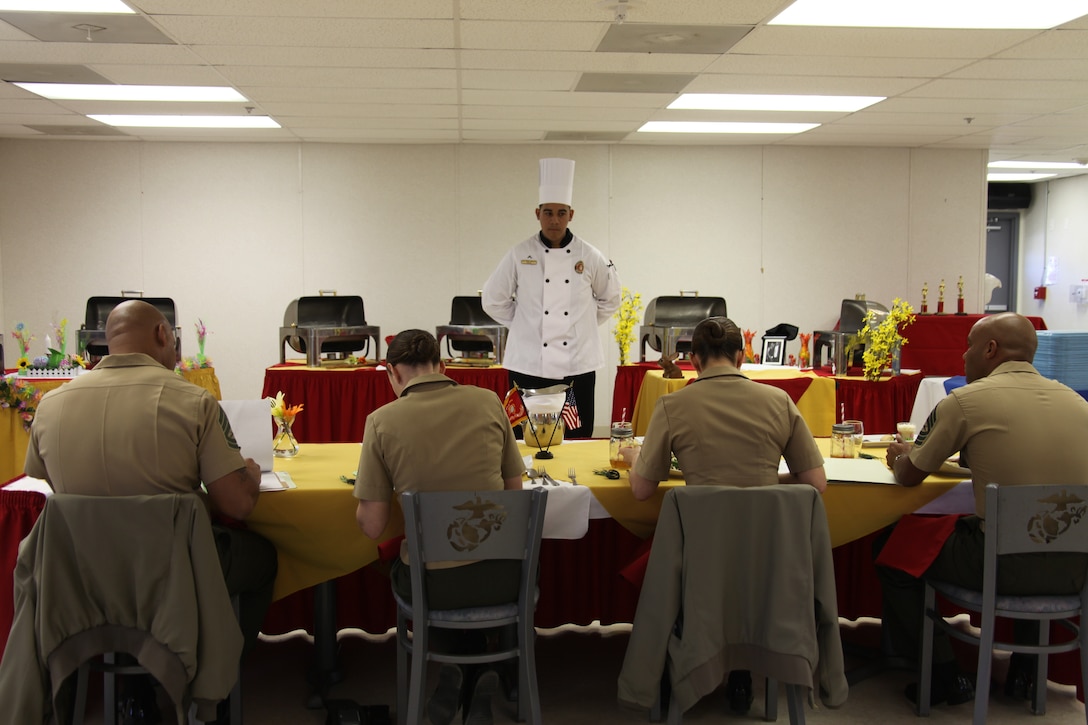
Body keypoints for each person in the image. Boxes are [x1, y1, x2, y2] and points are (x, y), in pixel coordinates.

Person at [24, 300, 277, 725]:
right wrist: (249, 474)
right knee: (263, 559)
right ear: (163, 334)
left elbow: (45, 484)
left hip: (79, 576)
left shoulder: (51, 405)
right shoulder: (194, 401)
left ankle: (133, 684)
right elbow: (237, 503)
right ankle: (212, 682)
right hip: (172, 572)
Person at [877, 312, 1088, 708]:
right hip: (1076, 567)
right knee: (1032, 528)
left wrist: (899, 455)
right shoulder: (1077, 402)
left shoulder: (966, 400)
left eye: (969, 346)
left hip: (1001, 566)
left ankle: (943, 675)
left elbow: (909, 476)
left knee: (893, 551)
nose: (963, 356)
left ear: (990, 349)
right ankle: (1026, 672)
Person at [620, 316, 827, 713]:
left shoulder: (673, 405)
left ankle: (679, 671)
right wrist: (760, 483)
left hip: (703, 567)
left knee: (651, 562)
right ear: (741, 357)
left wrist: (633, 458)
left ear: (694, 361)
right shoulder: (779, 401)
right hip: (769, 567)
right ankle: (743, 671)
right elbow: (814, 482)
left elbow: (642, 490)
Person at [353, 329, 525, 725]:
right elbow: (514, 495)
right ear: (442, 366)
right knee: (463, 567)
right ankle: (480, 672)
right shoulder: (489, 401)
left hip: (436, 586)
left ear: (392, 373)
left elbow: (373, 526)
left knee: (414, 568)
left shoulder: (381, 421)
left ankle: (456, 668)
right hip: (503, 576)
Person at [482, 157, 621, 438]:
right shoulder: (519, 254)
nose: (554, 220)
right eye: (548, 212)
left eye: (561, 213)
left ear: (571, 214)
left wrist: (579, 325)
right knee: (524, 437)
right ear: (537, 214)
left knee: (576, 436)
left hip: (578, 365)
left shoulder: (590, 255)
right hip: (527, 363)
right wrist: (527, 323)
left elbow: (611, 299)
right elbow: (492, 300)